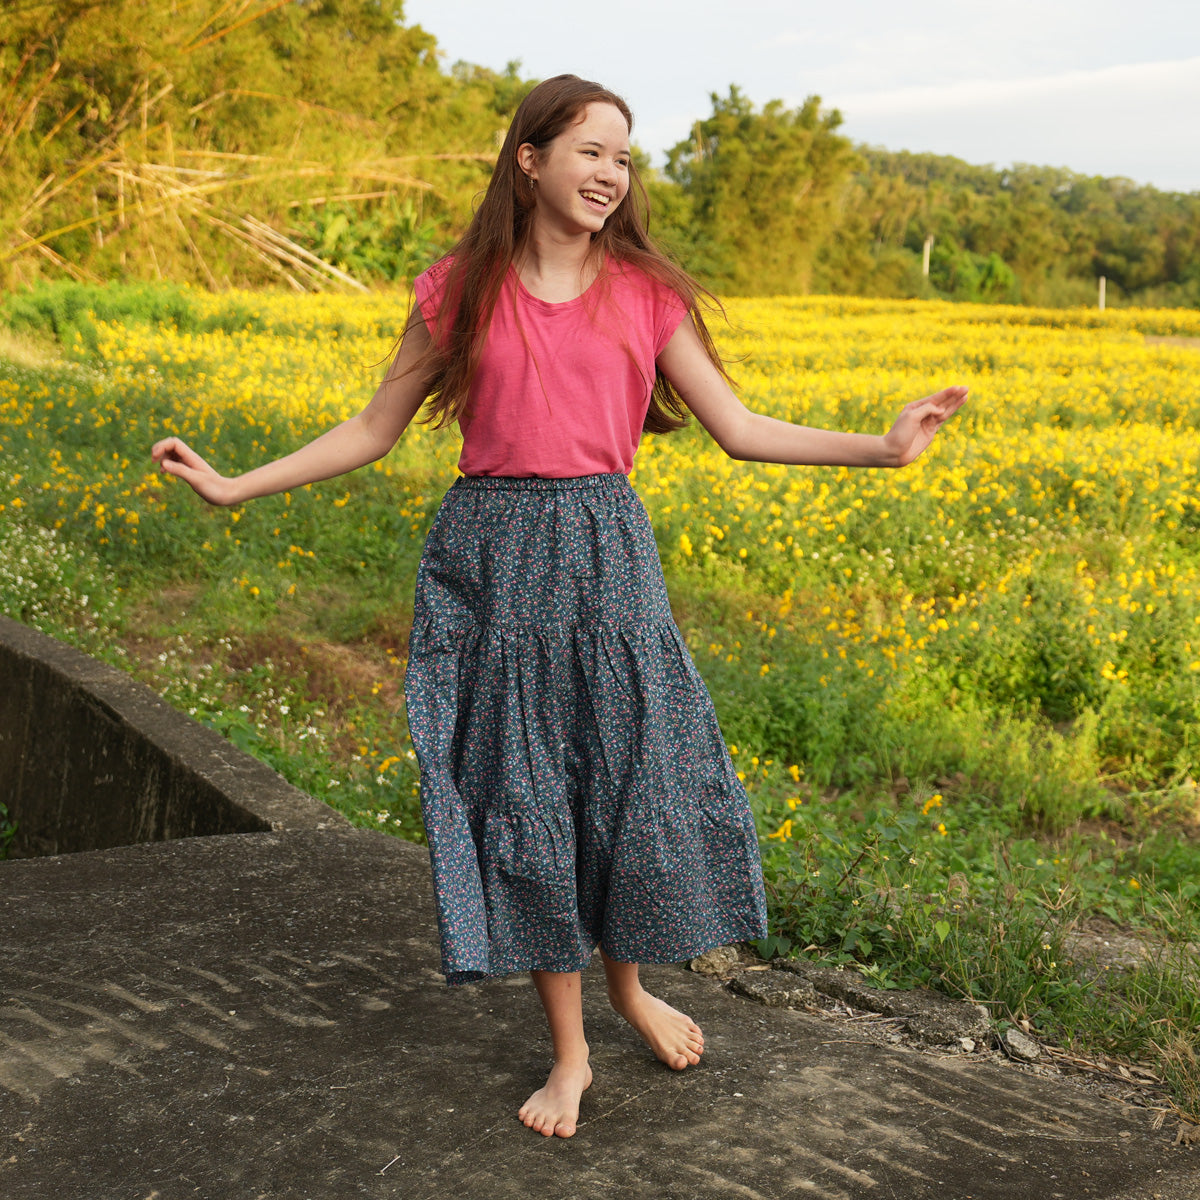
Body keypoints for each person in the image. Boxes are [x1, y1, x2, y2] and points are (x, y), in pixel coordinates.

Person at [152, 73, 967, 1140]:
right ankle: (572, 1053)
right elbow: (373, 428)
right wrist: (233, 483)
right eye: (589, 150)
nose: (610, 173)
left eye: (623, 157)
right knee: (524, 795)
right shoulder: (456, 291)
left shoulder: (645, 293)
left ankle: (630, 987)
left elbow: (739, 425)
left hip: (605, 561)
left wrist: (885, 448)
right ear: (529, 159)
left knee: (620, 783)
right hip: (489, 564)